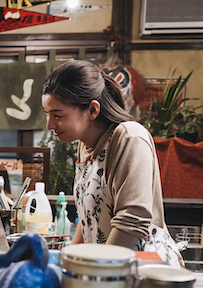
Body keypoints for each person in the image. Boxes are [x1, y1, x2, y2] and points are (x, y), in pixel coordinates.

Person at [42, 60, 183, 267]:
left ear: (92, 110)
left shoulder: (129, 138)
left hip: (141, 271)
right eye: (48, 114)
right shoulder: (84, 145)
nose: (50, 125)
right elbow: (88, 216)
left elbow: (132, 220)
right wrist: (67, 262)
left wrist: (98, 274)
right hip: (107, 270)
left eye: (58, 115)